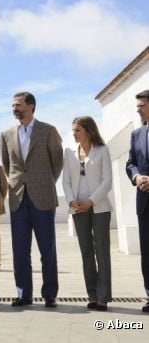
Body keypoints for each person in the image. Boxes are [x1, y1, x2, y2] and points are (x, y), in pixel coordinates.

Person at [0, 92, 63, 308]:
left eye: (18, 105)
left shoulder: (48, 131)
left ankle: (50, 294)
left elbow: (57, 163)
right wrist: (20, 183)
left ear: (31, 106)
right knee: (20, 250)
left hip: (43, 197)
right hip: (18, 198)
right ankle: (23, 294)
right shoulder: (6, 134)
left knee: (48, 249)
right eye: (12, 105)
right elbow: (7, 165)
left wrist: (43, 182)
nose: (14, 108)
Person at [62, 116, 112, 311]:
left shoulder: (102, 150)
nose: (73, 134)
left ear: (89, 131)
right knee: (86, 252)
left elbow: (107, 181)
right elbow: (65, 181)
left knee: (102, 251)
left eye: (77, 130)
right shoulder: (69, 153)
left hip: (99, 207)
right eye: (73, 130)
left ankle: (103, 297)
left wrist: (90, 202)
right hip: (77, 208)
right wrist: (71, 201)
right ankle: (92, 294)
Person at [126, 89, 149, 313]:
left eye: (141, 105)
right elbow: (130, 163)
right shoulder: (136, 134)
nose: (138, 110)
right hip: (144, 201)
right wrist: (136, 176)